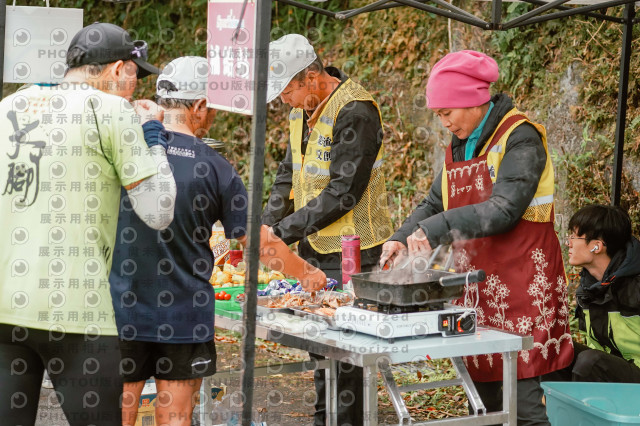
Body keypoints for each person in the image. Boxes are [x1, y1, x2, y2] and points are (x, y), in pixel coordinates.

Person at [110, 56, 327, 426]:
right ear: (200, 106)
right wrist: (307, 274)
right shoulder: (215, 168)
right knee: (175, 418)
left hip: (120, 309)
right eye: (212, 109)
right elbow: (258, 243)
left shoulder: (122, 149)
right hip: (183, 316)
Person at [379, 50, 573, 425]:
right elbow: (434, 202)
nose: (444, 122)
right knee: (482, 400)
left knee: (526, 401)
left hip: (524, 288)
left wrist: (433, 230)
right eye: (438, 115)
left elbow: (503, 209)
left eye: (447, 112)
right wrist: (401, 237)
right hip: (479, 290)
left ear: (472, 100)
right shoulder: (462, 143)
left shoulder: (521, 137)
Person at [0, 22, 176, 426]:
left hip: (6, 305)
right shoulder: (112, 111)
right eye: (135, 75)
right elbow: (158, 210)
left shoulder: (8, 107)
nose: (135, 87)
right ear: (117, 69)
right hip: (77, 310)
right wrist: (153, 134)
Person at [262, 34, 394, 426]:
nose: (284, 100)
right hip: (316, 247)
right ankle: (325, 419)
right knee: (320, 346)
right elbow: (288, 174)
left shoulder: (356, 111)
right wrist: (266, 224)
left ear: (312, 76)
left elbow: (343, 192)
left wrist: (283, 233)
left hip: (355, 251)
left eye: (287, 90)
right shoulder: (300, 112)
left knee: (346, 353)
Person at [543, 204, 640, 383]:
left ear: (597, 246)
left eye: (574, 236)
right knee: (551, 348)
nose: (568, 243)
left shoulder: (636, 285)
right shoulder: (589, 288)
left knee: (591, 362)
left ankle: (577, 401)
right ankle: (554, 401)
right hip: (609, 368)